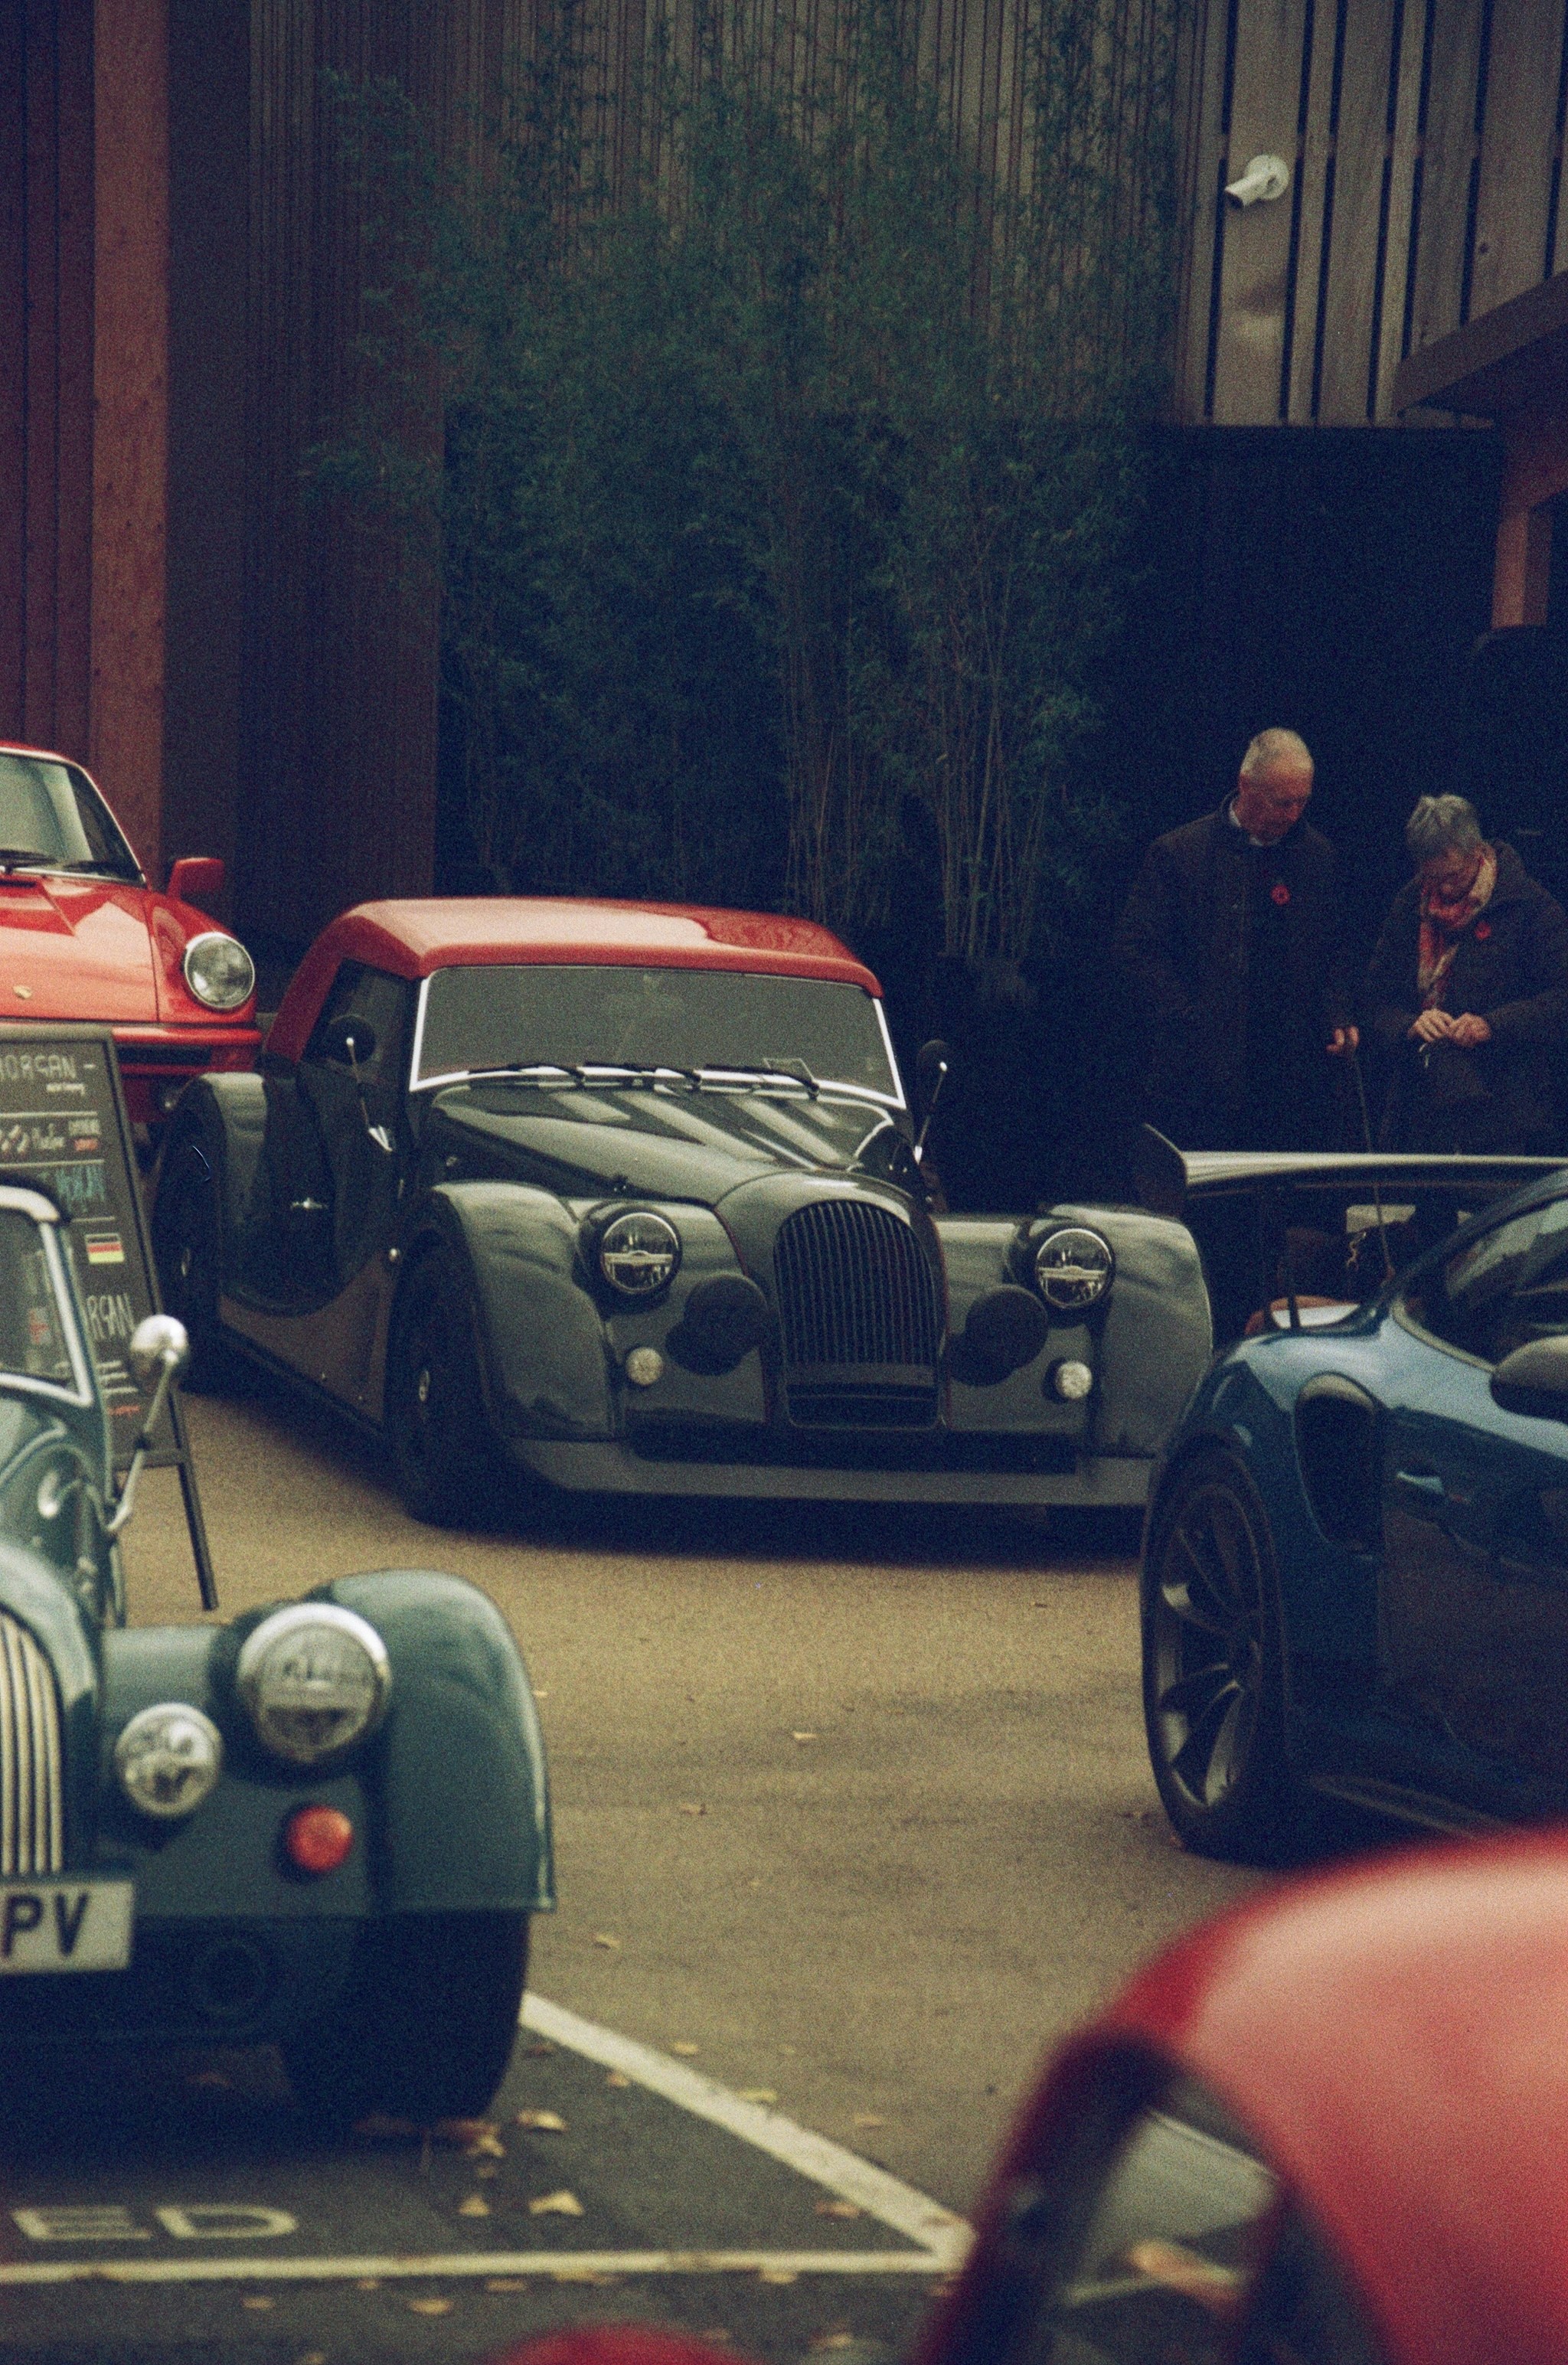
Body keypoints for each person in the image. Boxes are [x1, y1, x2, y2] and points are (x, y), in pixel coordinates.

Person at [1113, 728, 1357, 1151]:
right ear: (1246, 785)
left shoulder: (1318, 857)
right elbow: (1135, 951)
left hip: (1290, 1078)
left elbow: (1336, 950)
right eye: (1282, 802)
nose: (1293, 815)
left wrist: (1338, 1012)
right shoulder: (1179, 854)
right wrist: (1188, 1018)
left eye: (1302, 802)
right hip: (1198, 1078)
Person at [1366, 793, 1568, 1153]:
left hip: (1503, 1108)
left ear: (1477, 852)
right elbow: (1374, 1001)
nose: (1444, 888)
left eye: (1454, 876)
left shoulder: (1530, 907)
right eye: (1433, 877)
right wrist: (1410, 1024)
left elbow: (1561, 1001)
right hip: (1422, 1111)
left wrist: (1492, 1025)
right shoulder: (1409, 904)